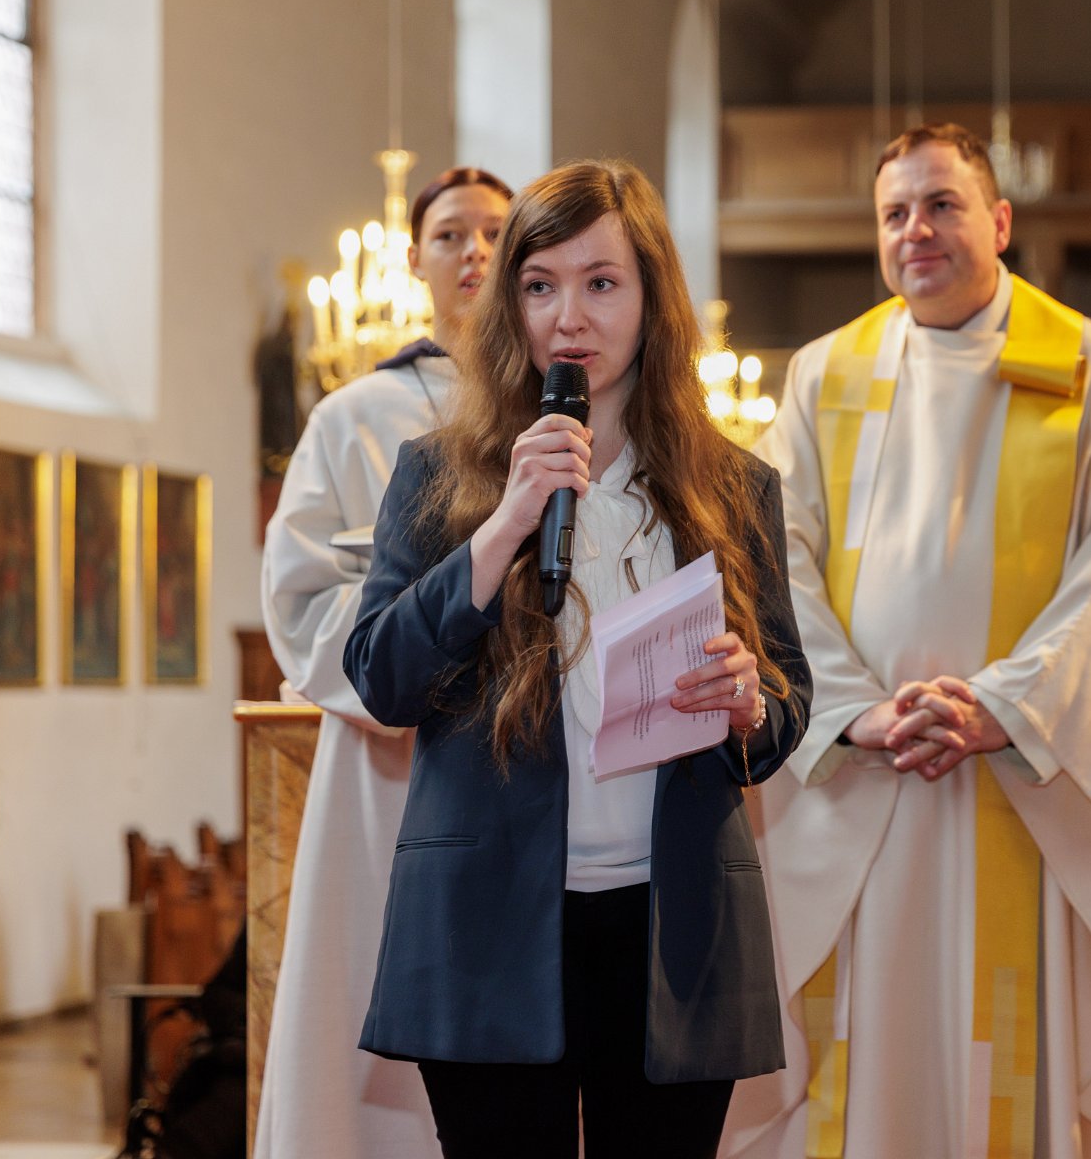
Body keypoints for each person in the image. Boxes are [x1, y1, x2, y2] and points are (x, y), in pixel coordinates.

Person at [724, 123, 1091, 1159]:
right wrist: (855, 710)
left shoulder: (1083, 363)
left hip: (1023, 775)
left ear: (999, 221)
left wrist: (1005, 703)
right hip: (869, 777)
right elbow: (773, 555)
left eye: (942, 205)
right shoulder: (826, 371)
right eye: (894, 213)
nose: (917, 230)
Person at [343, 160, 812, 1159]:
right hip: (489, 925)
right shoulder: (438, 474)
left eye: (602, 282)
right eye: (540, 284)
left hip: (673, 929)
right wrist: (506, 522)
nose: (569, 317)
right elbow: (382, 678)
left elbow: (785, 702)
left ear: (652, 299)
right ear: (510, 304)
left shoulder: (735, 486)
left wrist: (747, 699)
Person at [256, 165, 512, 1159]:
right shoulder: (353, 414)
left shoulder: (567, 400)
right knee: (369, 972)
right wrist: (403, 667)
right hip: (389, 757)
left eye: (495, 232)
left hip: (521, 747)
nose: (474, 252)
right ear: (415, 259)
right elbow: (299, 593)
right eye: (450, 235)